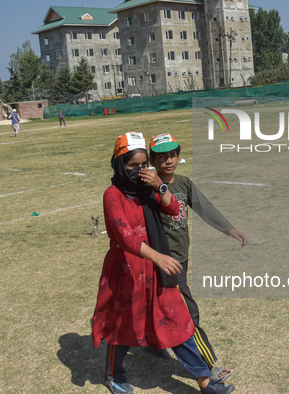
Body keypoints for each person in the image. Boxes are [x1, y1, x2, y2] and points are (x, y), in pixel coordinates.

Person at [92, 132, 235, 394]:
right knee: (122, 322)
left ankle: (204, 381)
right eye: (132, 165)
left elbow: (173, 209)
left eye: (143, 164)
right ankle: (113, 372)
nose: (139, 170)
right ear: (119, 164)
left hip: (155, 267)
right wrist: (159, 257)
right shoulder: (112, 194)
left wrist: (159, 185)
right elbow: (125, 237)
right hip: (126, 268)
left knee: (175, 317)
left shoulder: (148, 187)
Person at [147, 133, 248, 383]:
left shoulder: (183, 183)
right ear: (153, 160)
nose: (168, 161)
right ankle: (207, 366)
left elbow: (205, 207)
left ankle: (153, 342)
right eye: (161, 156)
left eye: (172, 155)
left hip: (181, 257)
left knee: (160, 305)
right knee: (187, 312)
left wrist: (229, 228)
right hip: (164, 261)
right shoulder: (149, 187)